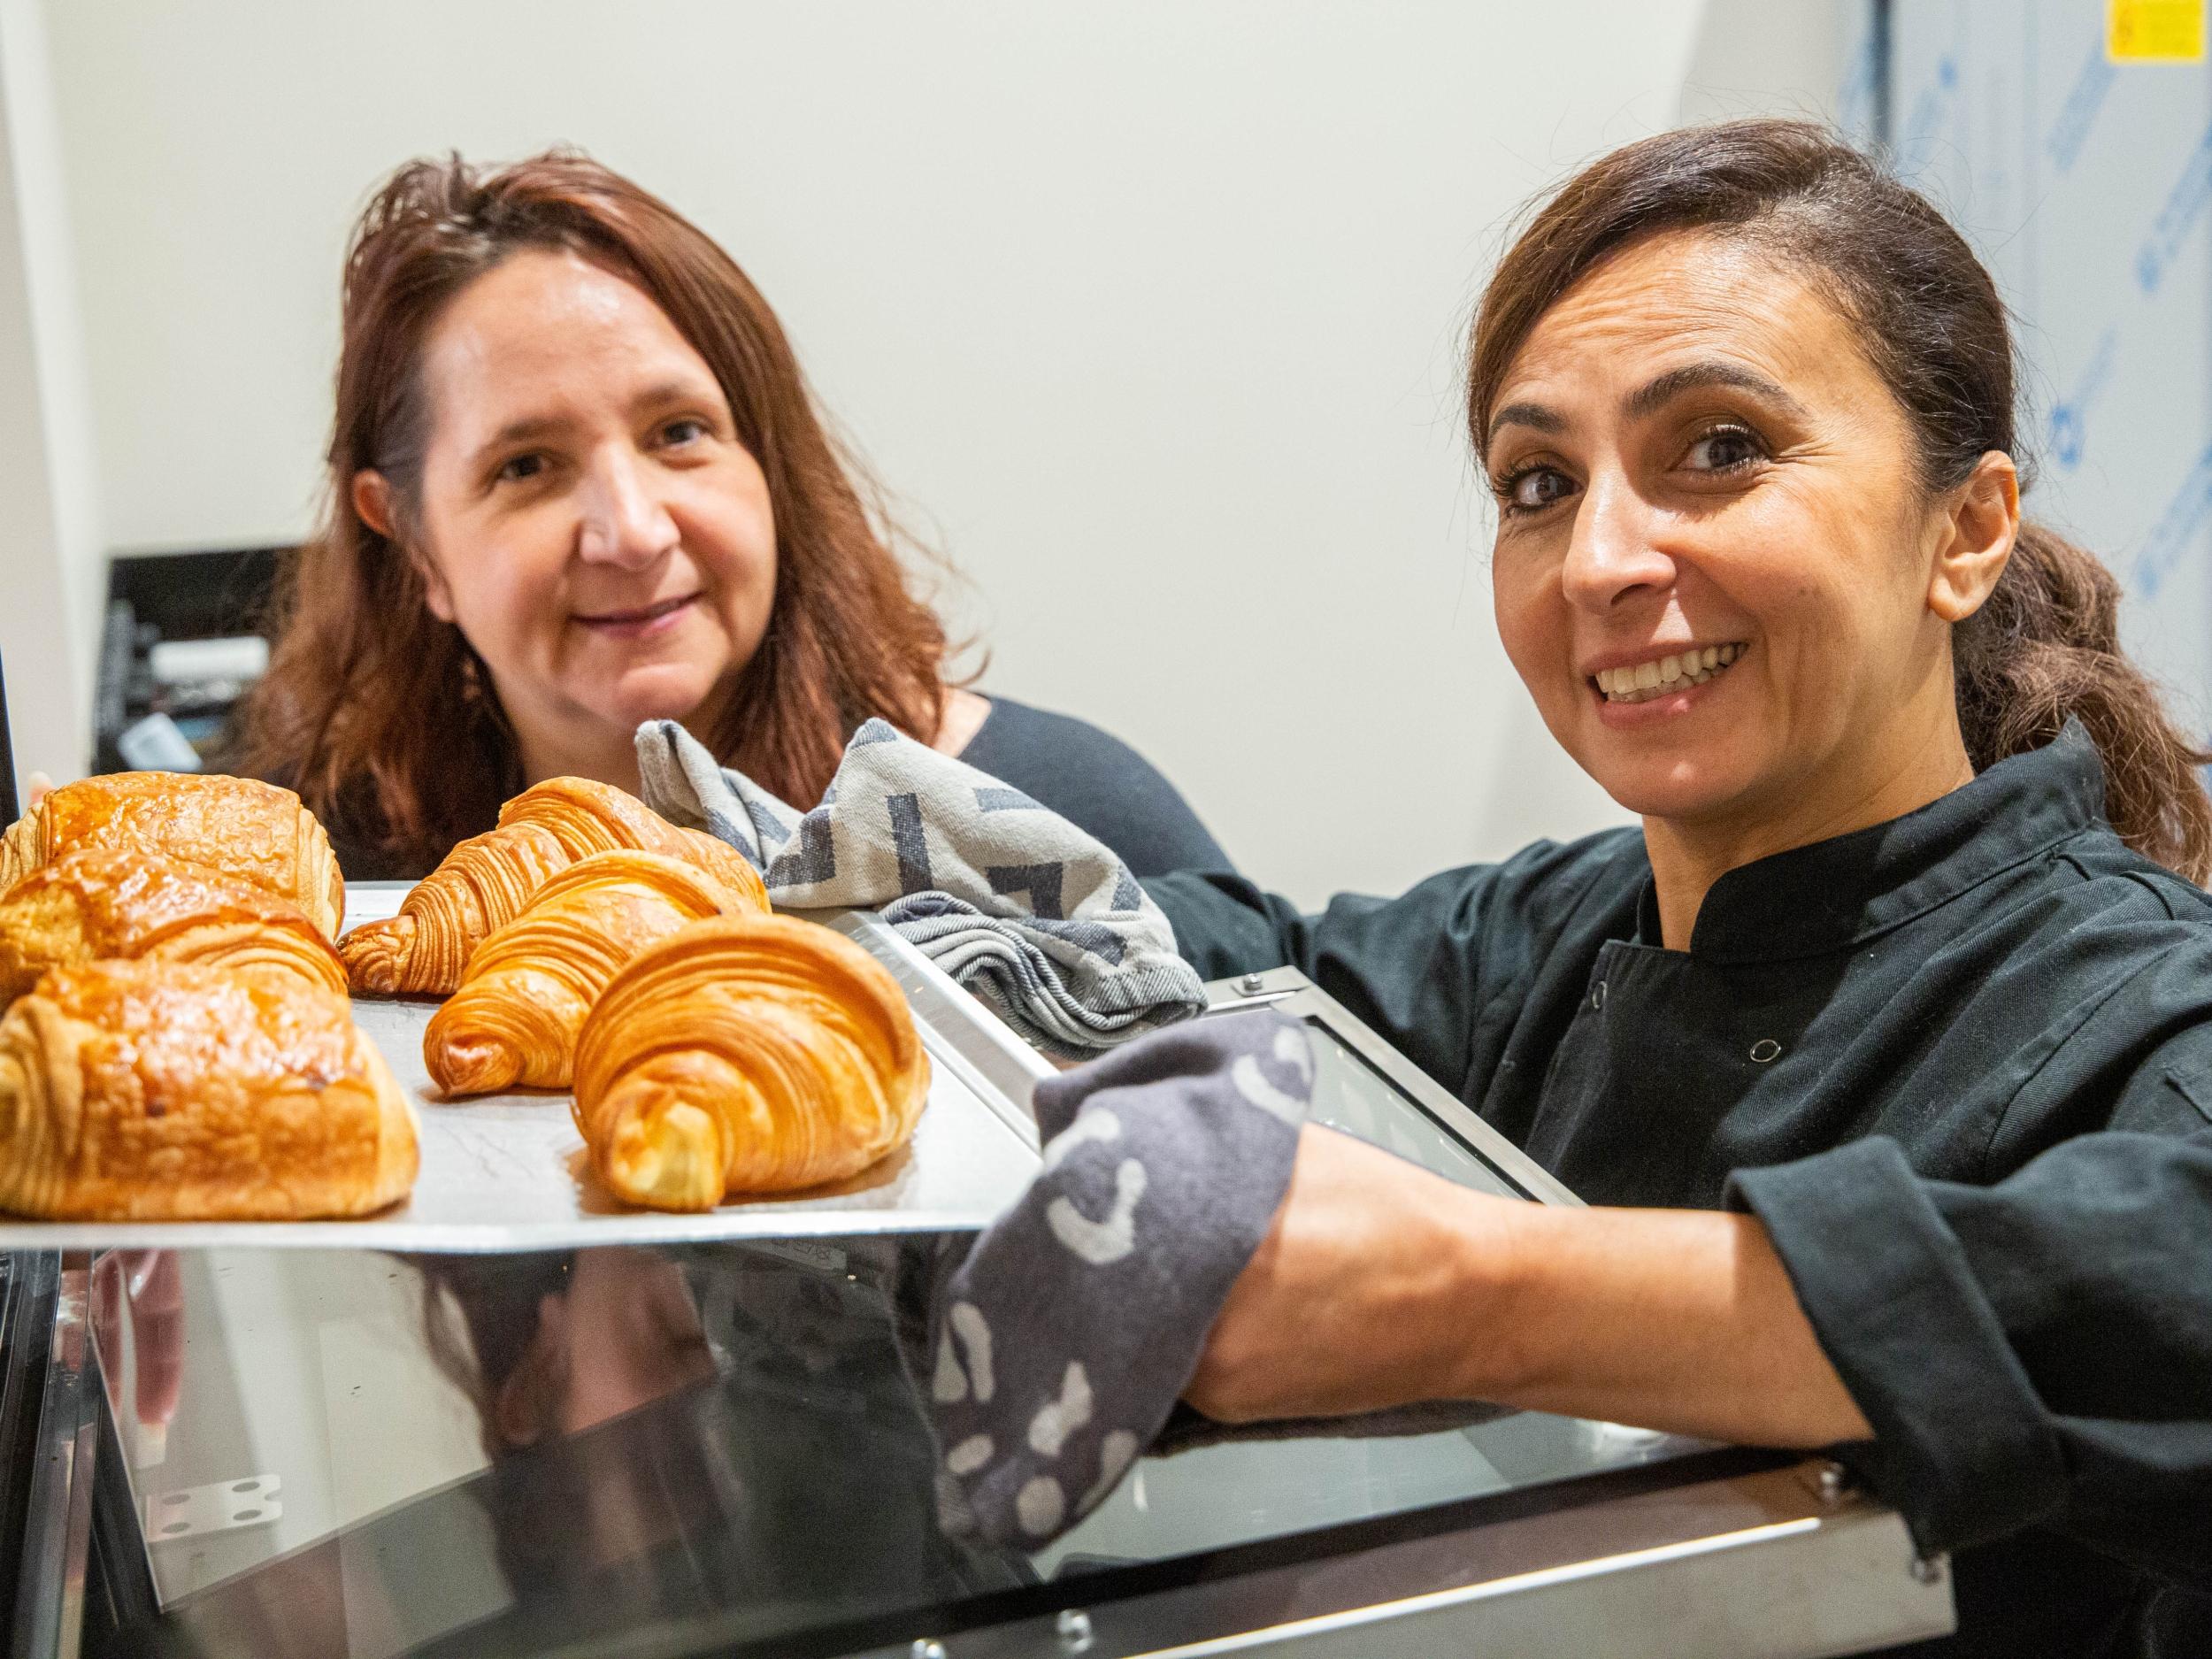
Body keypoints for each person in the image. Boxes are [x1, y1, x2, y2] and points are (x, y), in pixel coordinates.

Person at [1151, 122, 2212, 1656]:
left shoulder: (2137, 1007)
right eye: (1537, 482)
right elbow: (1201, 960)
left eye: (1720, 448)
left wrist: (1482, 1299)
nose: (1599, 560)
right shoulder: (1549, 940)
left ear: (1965, 531)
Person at [231, 150, 1228, 881]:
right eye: (528, 465)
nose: (632, 532)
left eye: (679, 433)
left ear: (769, 461)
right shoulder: (312, 872)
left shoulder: (1062, 820)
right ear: (412, 546)